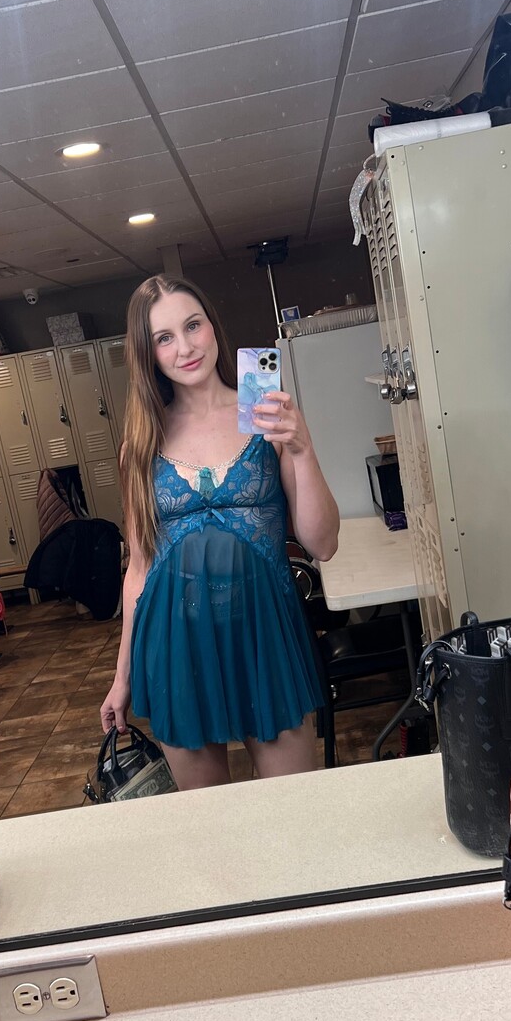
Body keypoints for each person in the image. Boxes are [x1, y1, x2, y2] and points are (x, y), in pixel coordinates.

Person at [100, 274, 340, 790]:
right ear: (148, 354)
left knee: (297, 810)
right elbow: (139, 569)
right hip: (175, 645)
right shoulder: (141, 442)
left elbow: (322, 543)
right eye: (164, 338)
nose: (185, 348)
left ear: (213, 327)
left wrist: (302, 449)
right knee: (210, 824)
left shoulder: (265, 415)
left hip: (266, 637)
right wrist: (122, 679)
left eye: (193, 326)